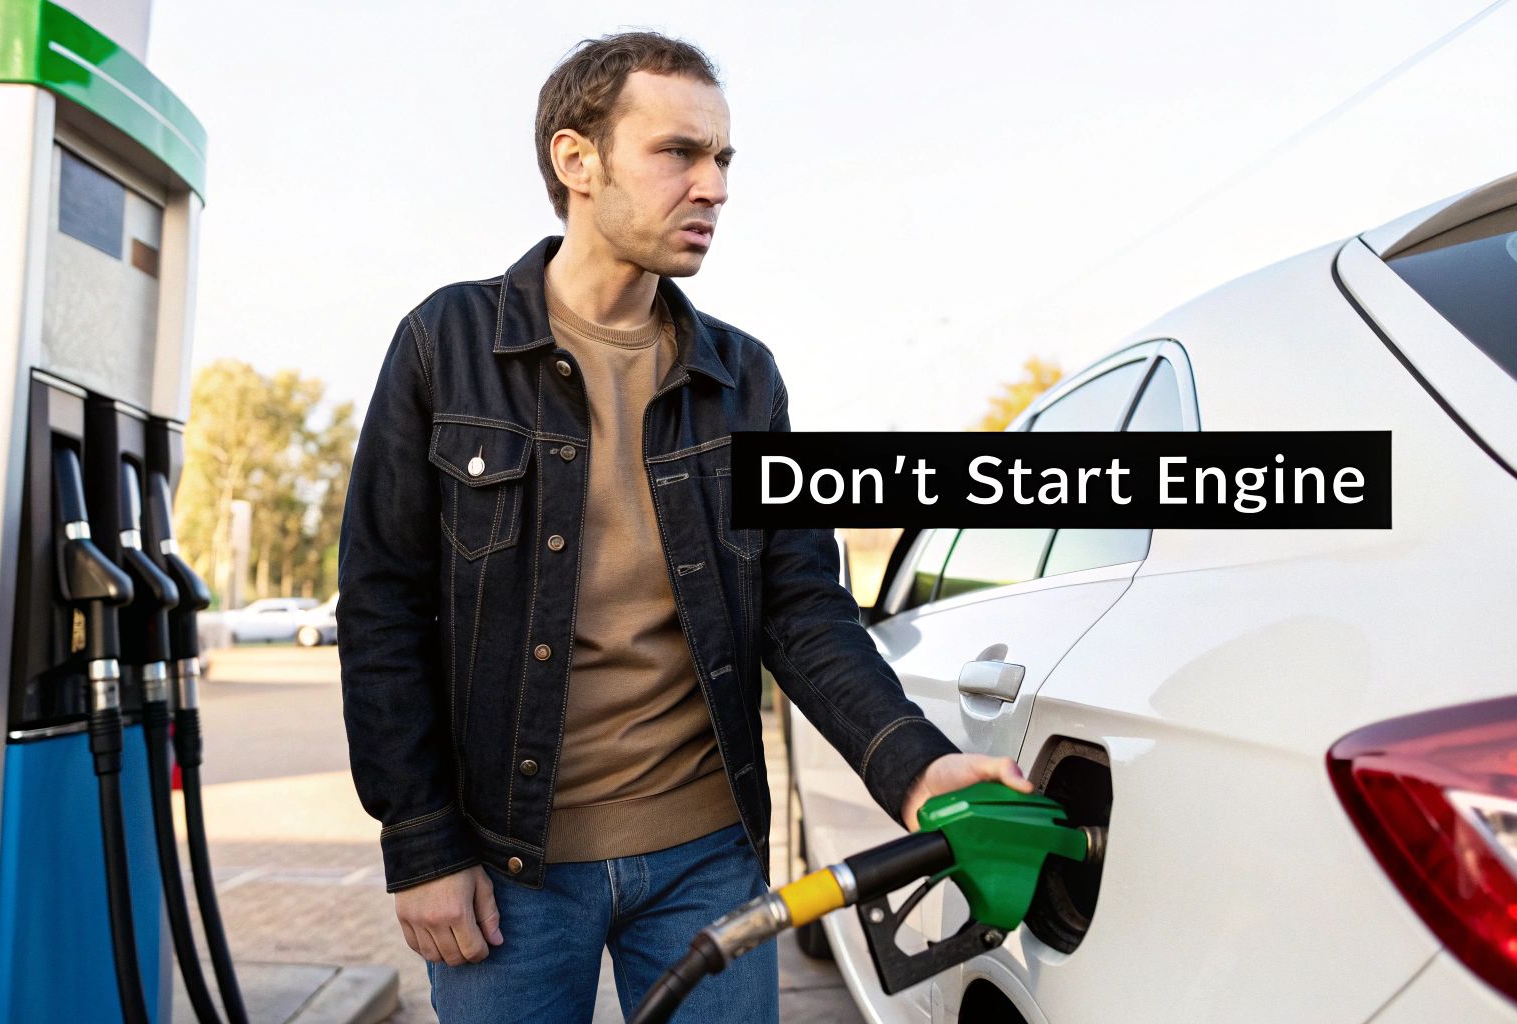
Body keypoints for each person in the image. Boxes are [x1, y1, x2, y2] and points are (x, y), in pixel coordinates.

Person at [338, 30, 1031, 1023]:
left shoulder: (744, 378)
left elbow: (800, 604)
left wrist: (913, 763)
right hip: (509, 865)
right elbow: (380, 607)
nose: (711, 186)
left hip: (707, 854)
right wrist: (419, 841)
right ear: (574, 161)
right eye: (677, 153)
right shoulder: (444, 345)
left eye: (721, 160)